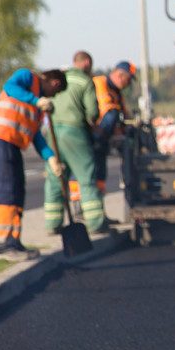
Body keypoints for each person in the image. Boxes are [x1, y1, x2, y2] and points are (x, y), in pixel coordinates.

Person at [0, 68, 67, 261]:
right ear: (55, 83)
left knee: (17, 192)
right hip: (1, 139)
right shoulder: (28, 77)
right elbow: (9, 87)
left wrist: (51, 157)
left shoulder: (37, 106)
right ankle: (3, 245)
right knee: (6, 191)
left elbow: (36, 135)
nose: (52, 96)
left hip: (12, 144)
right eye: (55, 93)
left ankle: (14, 241)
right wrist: (36, 100)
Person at [43, 53, 108, 235]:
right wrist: (92, 123)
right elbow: (93, 112)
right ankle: (95, 222)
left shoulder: (60, 79)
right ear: (87, 63)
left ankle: (52, 223)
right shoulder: (85, 81)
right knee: (86, 178)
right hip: (76, 132)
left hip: (53, 132)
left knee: (55, 177)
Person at [93, 61, 136, 194]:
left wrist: (131, 125)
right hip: (94, 134)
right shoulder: (100, 82)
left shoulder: (117, 93)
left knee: (100, 174)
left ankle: (98, 208)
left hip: (103, 140)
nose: (127, 84)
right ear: (120, 76)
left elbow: (125, 114)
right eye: (128, 80)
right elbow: (107, 110)